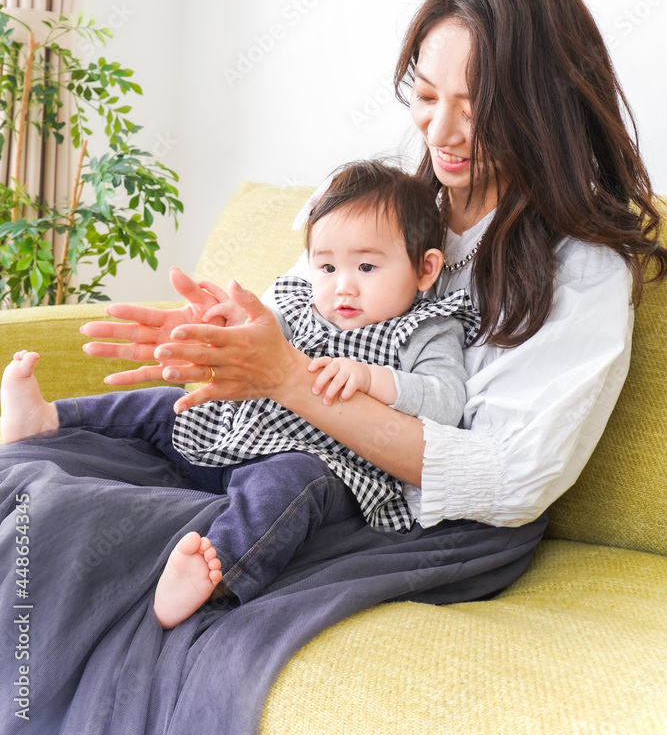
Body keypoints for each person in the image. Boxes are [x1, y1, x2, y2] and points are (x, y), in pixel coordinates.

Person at [1, 0, 665, 734]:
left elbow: (512, 479)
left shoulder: (579, 266)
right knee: (30, 485)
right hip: (282, 442)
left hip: (404, 513)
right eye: (425, 95)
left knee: (97, 532)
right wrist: (227, 334)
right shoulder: (394, 201)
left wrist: (288, 379)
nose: (442, 131)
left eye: (477, 105)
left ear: (543, 103)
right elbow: (296, 309)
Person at [1, 160, 480, 628]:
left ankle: (216, 574)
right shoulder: (299, 305)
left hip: (329, 466)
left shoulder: (426, 329)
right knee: (166, 404)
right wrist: (224, 327)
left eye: (367, 266)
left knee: (289, 483)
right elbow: (254, 341)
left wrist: (373, 379)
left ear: (425, 269)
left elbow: (445, 401)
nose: (343, 287)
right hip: (237, 435)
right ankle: (50, 419)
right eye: (327, 266)